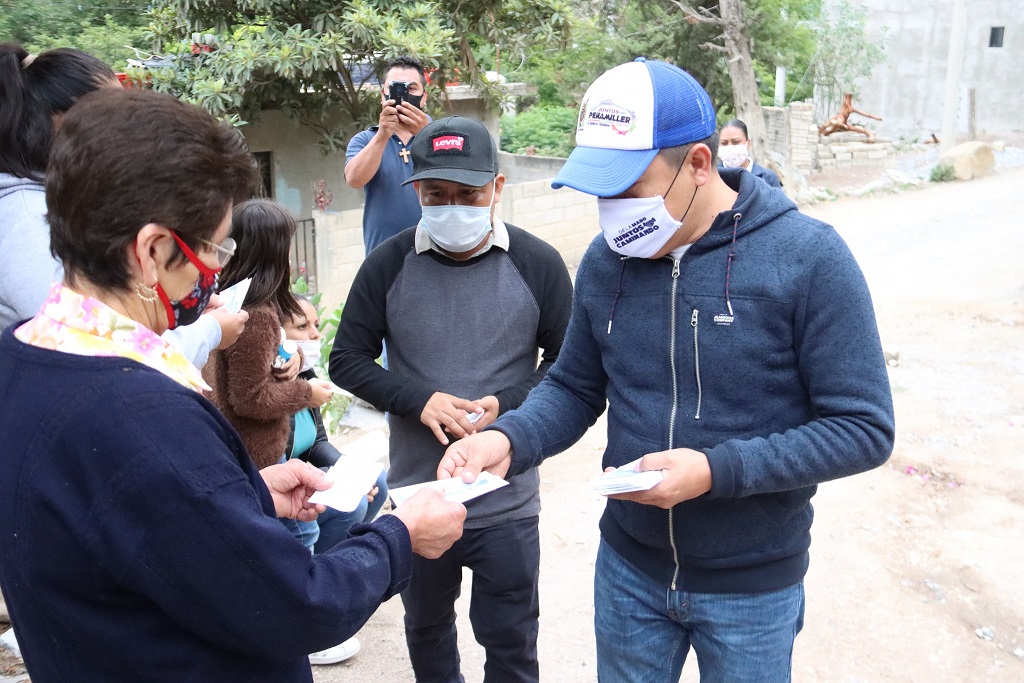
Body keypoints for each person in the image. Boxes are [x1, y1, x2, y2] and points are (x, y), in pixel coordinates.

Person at [438, 58, 895, 682]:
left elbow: (862, 428)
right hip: (630, 571)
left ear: (699, 166)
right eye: (600, 189)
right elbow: (574, 385)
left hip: (752, 586)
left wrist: (714, 471)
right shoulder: (608, 260)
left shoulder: (809, 258)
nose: (610, 210)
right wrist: (506, 438)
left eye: (627, 187)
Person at [0, 86, 466, 682]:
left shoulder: (27, 358)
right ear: (152, 250)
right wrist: (400, 535)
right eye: (215, 248)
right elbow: (296, 603)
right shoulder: (139, 412)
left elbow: (137, 528)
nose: (218, 270)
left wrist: (239, 495)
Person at [330, 115, 573, 682]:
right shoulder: (387, 264)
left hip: (508, 505)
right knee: (427, 632)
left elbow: (569, 368)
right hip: (418, 499)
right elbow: (346, 359)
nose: (453, 207)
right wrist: (420, 400)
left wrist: (505, 403)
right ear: (414, 188)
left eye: (469, 194)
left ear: (498, 187)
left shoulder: (537, 265)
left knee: (511, 640)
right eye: (436, 195)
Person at [0, 42, 246, 366]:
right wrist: (208, 331)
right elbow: (98, 349)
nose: (130, 124)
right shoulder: (26, 221)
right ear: (66, 124)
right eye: (113, 111)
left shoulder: (48, 201)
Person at [281, 294, 390, 553]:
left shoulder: (307, 376)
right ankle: (317, 571)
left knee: (377, 481)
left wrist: (349, 469)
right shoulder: (272, 392)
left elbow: (317, 443)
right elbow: (276, 458)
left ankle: (341, 561)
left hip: (304, 481)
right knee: (353, 504)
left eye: (316, 325)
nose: (315, 334)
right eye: (301, 326)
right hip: (283, 496)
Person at [345, 56, 431, 254]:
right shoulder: (365, 140)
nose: (405, 95)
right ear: (383, 95)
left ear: (424, 97)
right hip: (383, 258)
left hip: (435, 256)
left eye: (411, 89)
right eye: (396, 88)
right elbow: (354, 180)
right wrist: (383, 135)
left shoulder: (443, 135)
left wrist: (426, 135)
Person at [718, 118, 783, 188]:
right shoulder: (711, 176)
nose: (730, 148)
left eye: (736, 142)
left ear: (748, 144)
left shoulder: (768, 178)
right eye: (724, 143)